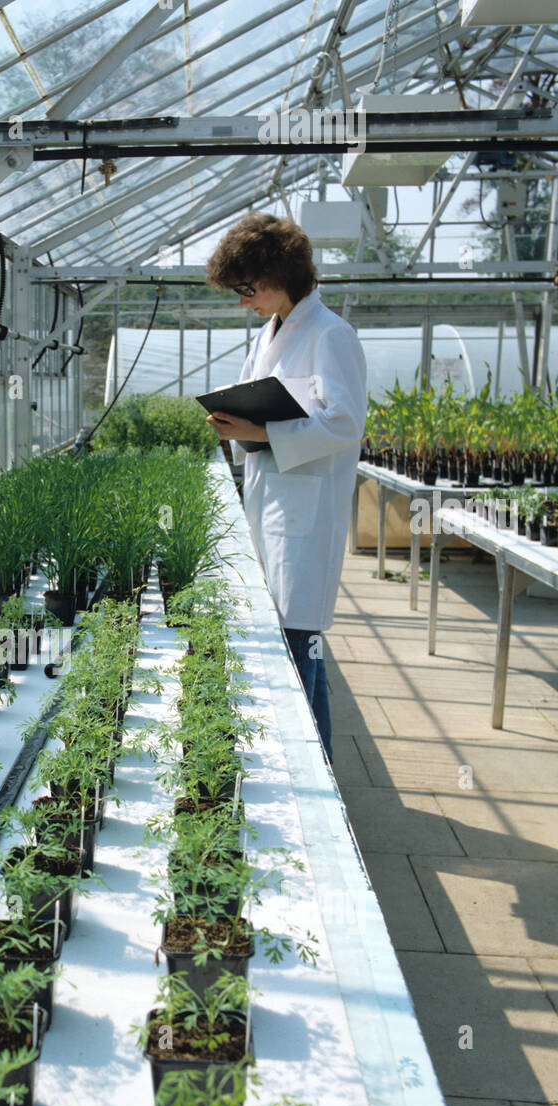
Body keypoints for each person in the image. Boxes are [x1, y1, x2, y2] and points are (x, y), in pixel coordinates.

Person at [203, 213, 368, 763]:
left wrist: (261, 430)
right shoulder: (268, 334)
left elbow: (344, 425)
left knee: (302, 652)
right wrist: (239, 426)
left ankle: (315, 771)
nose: (244, 301)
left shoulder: (331, 335)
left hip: (305, 521)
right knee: (294, 652)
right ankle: (312, 763)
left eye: (248, 289)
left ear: (280, 275)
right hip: (272, 506)